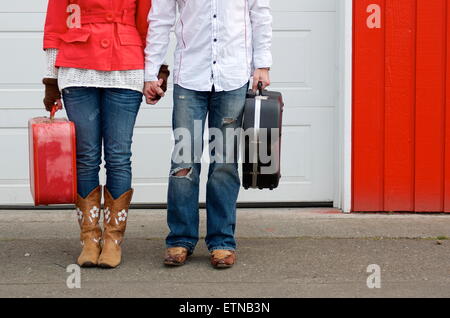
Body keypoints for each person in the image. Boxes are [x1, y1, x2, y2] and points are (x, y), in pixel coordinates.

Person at [144, 0, 272, 268]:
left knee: (224, 163)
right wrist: (151, 72)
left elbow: (259, 14)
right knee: (183, 161)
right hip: (189, 77)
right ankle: (180, 238)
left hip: (232, 76)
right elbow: (160, 19)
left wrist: (263, 64)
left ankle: (222, 241)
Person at [42, 0, 169, 268]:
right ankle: (89, 239)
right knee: (85, 156)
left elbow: (152, 24)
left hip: (126, 66)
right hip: (77, 67)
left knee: (119, 156)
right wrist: (51, 80)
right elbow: (55, 26)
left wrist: (158, 68)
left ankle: (113, 240)